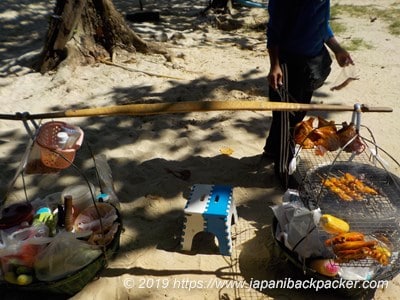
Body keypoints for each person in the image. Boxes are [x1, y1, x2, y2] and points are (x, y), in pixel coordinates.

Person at [263, 0, 353, 188]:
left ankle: (272, 150)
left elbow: (322, 25)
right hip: (288, 63)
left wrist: (337, 49)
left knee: (298, 115)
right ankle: (283, 170)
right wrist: (275, 65)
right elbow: (274, 32)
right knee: (285, 118)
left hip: (312, 62)